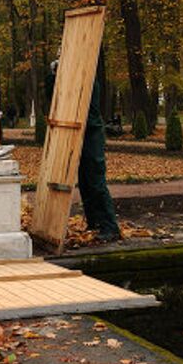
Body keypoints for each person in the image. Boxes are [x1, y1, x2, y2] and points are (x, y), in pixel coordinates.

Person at [46, 60, 120, 242]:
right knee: (85, 182)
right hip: (77, 133)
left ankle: (110, 227)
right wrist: (53, 76)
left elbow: (83, 99)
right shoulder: (69, 81)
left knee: (95, 180)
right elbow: (53, 97)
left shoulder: (89, 80)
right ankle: (95, 223)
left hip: (91, 133)